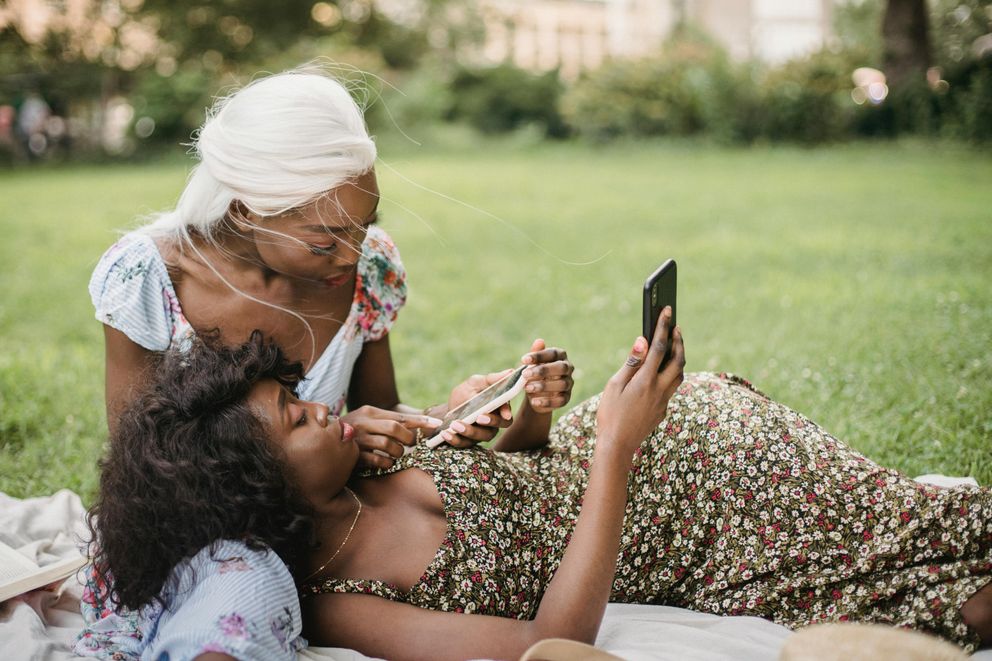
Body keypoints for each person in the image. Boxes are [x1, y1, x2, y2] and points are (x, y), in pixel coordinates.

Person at [79, 314, 992, 660]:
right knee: (934, 593)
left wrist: (529, 414)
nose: (321, 409)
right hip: (666, 516)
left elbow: (518, 480)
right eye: (291, 417)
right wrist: (614, 457)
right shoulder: (342, 603)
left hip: (705, 468)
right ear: (252, 488)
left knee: (918, 534)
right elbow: (552, 641)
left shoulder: (370, 459)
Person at [82, 64, 575, 653]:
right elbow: (148, 469)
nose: (354, 252)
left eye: (366, 225)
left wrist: (444, 416)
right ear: (245, 211)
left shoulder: (366, 268)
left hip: (322, 505)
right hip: (210, 524)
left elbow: (379, 408)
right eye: (325, 239)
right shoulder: (153, 277)